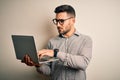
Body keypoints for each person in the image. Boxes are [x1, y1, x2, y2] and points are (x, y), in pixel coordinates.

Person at [22, 4, 92, 80]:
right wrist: (38, 65)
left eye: (61, 21)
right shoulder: (52, 42)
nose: (58, 25)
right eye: (56, 21)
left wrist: (56, 53)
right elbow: (49, 71)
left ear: (73, 20)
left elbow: (83, 63)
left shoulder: (85, 40)